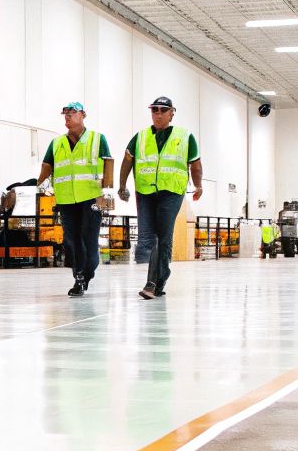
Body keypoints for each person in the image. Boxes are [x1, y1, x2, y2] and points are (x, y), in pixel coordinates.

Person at [118, 96, 202, 300]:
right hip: (146, 192)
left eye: (163, 110)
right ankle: (161, 276)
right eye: (154, 109)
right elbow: (127, 160)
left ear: (172, 113)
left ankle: (153, 282)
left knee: (162, 236)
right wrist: (121, 185)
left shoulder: (184, 136)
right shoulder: (140, 137)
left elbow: (195, 165)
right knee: (148, 236)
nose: (158, 113)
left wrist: (198, 186)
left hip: (171, 192)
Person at [36, 101, 113, 296]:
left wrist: (108, 192)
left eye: (72, 112)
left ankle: (87, 272)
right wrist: (39, 183)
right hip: (66, 200)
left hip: (91, 199)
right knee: (72, 240)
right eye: (65, 114)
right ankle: (78, 277)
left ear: (83, 115)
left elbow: (108, 165)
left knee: (89, 238)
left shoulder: (97, 139)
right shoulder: (57, 143)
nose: (68, 116)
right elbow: (47, 166)